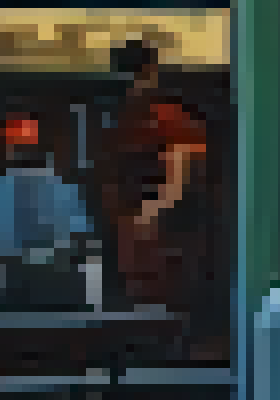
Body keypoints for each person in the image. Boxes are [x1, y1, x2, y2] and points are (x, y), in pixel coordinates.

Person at [104, 38, 211, 325]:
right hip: (143, 231)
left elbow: (177, 180)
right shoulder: (131, 119)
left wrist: (143, 219)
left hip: (160, 234)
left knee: (160, 307)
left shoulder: (166, 119)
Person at [0, 114, 98, 312]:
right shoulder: (67, 191)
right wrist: (93, 302)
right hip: (58, 295)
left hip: (20, 293)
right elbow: (87, 248)